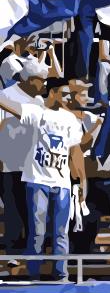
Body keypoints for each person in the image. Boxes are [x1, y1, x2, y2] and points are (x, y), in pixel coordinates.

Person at [0, 78, 86, 280]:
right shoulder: (37, 112)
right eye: (64, 93)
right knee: (37, 232)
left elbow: (75, 152)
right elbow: (8, 105)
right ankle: (33, 276)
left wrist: (82, 180)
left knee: (61, 233)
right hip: (37, 180)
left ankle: (61, 275)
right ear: (52, 92)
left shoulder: (71, 119)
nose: (68, 98)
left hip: (62, 183)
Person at [0, 60, 47, 264]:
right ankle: (13, 254)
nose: (45, 84)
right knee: (14, 211)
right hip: (9, 164)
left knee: (32, 212)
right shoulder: (5, 96)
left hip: (33, 166)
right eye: (42, 80)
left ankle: (31, 256)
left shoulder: (39, 100)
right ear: (30, 79)